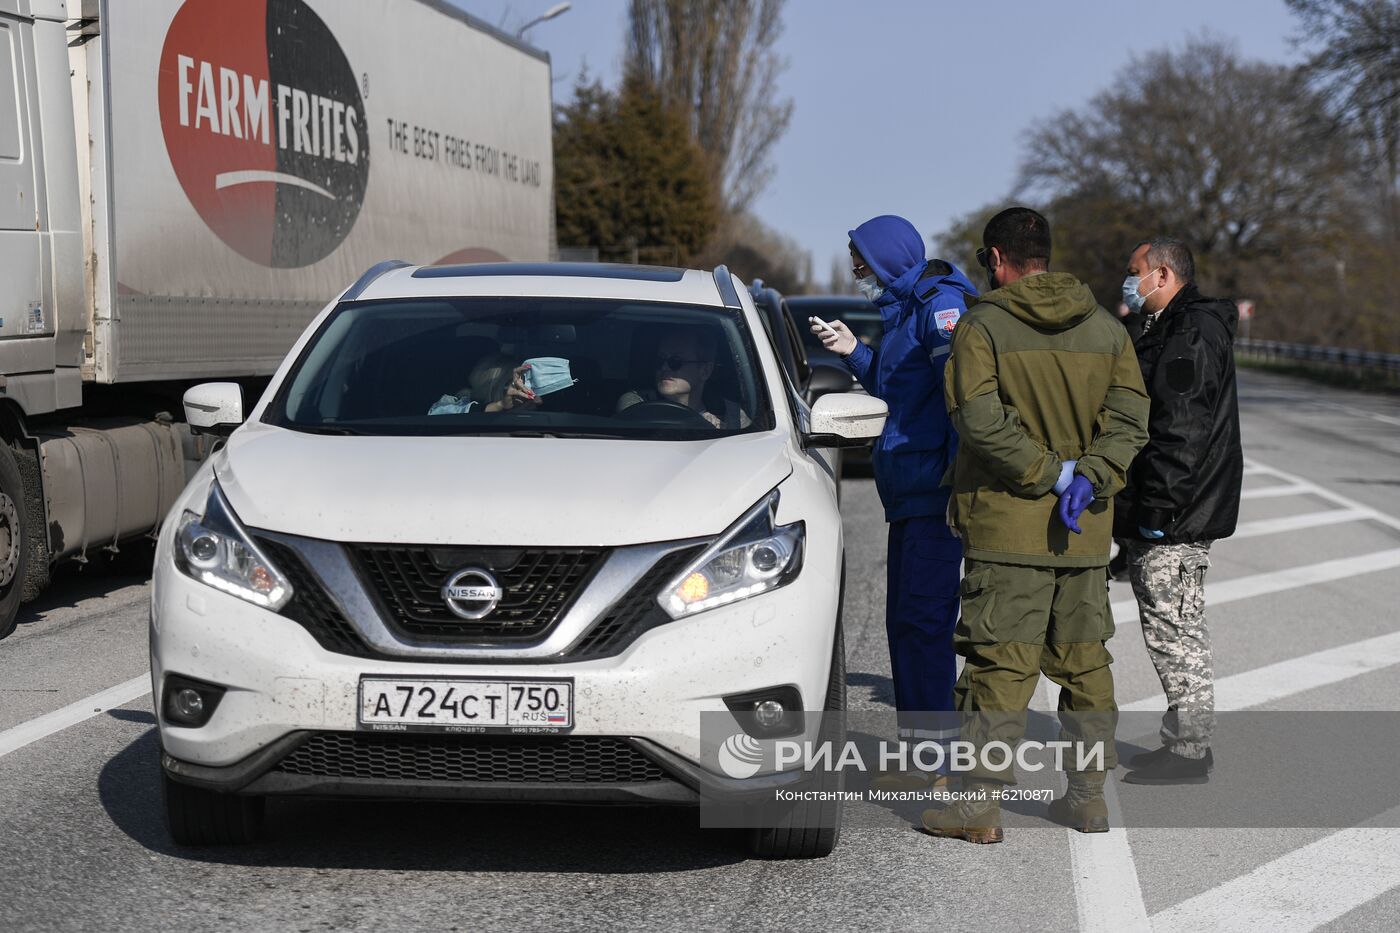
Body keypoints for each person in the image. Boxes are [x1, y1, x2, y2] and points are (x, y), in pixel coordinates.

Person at [924, 207, 1149, 844]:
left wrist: (1049, 473)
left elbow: (980, 421)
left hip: (1005, 530)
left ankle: (977, 810)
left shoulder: (983, 326)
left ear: (996, 259)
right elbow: (1131, 422)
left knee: (999, 671)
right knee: (1085, 667)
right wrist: (1089, 476)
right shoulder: (1108, 330)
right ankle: (1086, 801)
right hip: (1084, 534)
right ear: (1046, 255)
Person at [808, 214, 978, 791]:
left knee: (926, 624)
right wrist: (855, 351)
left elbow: (965, 401)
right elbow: (898, 388)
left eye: (862, 262)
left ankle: (941, 763)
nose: (858, 271)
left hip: (935, 494)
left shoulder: (941, 307)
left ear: (888, 259)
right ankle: (921, 751)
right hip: (908, 493)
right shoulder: (905, 308)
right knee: (903, 622)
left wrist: (960, 484)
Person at [1115, 237, 1242, 785]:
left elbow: (1180, 429)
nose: (1128, 282)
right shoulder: (1167, 327)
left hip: (1178, 512)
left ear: (1162, 275)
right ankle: (1183, 740)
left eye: (1133, 272)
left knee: (1176, 630)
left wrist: (1158, 511)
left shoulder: (1189, 331)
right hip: (1170, 507)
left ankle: (1190, 751)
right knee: (1167, 625)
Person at [617, 327, 750, 428]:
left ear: (705, 371)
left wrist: (724, 433)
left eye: (676, 361)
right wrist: (700, 424)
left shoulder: (732, 416)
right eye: (659, 360)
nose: (664, 367)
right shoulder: (636, 403)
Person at [428, 354, 541, 414]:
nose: (519, 388)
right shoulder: (458, 403)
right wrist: (499, 406)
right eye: (511, 383)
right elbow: (435, 416)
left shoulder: (528, 404)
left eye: (524, 382)